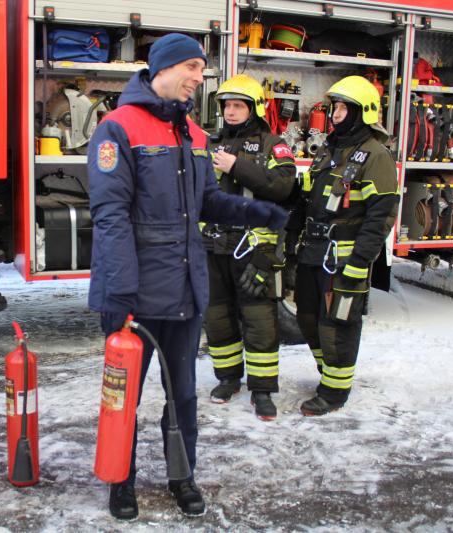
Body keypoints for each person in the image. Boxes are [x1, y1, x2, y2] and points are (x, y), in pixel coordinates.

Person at [87, 34, 289, 520]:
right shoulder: (118, 128)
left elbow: (207, 203)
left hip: (184, 288)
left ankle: (182, 476)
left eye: (202, 69)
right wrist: (119, 290)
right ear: (164, 68)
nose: (201, 78)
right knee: (125, 401)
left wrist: (257, 210)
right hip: (133, 294)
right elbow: (110, 215)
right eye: (194, 68)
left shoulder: (194, 135)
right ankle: (120, 480)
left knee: (182, 395)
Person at [285, 75, 399, 416]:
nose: (334, 114)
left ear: (361, 112)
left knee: (339, 324)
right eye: (334, 107)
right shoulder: (331, 150)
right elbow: (309, 198)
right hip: (313, 252)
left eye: (341, 108)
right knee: (307, 317)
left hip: (344, 257)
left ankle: (335, 392)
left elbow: (381, 217)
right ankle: (329, 374)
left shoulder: (376, 156)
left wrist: (361, 260)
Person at [203, 74, 297, 421]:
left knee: (259, 321)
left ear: (254, 108)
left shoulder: (274, 145)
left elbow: (284, 188)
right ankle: (228, 379)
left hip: (253, 250)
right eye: (226, 105)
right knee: (217, 319)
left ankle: (262, 390)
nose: (230, 111)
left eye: (238, 105)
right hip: (213, 247)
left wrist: (237, 166)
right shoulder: (210, 144)